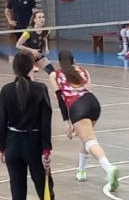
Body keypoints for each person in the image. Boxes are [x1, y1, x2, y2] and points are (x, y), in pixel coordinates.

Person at [0, 50, 70, 200]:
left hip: (13, 145)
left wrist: (2, 147)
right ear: (32, 66)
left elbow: (2, 122)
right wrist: (46, 150)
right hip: (34, 145)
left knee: (17, 197)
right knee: (46, 193)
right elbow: (45, 122)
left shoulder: (6, 90)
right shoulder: (40, 89)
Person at [49, 50, 119, 191]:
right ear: (73, 60)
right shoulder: (83, 71)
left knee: (90, 141)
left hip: (77, 106)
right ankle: (81, 171)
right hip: (93, 103)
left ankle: (109, 169)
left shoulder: (55, 74)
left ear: (59, 62)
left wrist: (66, 121)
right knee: (85, 138)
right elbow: (87, 89)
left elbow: (61, 99)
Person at [16, 10, 55, 74]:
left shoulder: (46, 31)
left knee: (52, 72)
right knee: (30, 78)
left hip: (38, 55)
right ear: (34, 20)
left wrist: (46, 47)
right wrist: (32, 51)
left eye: (43, 17)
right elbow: (18, 45)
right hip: (27, 57)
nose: (42, 19)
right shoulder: (28, 32)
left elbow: (44, 38)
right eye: (39, 17)